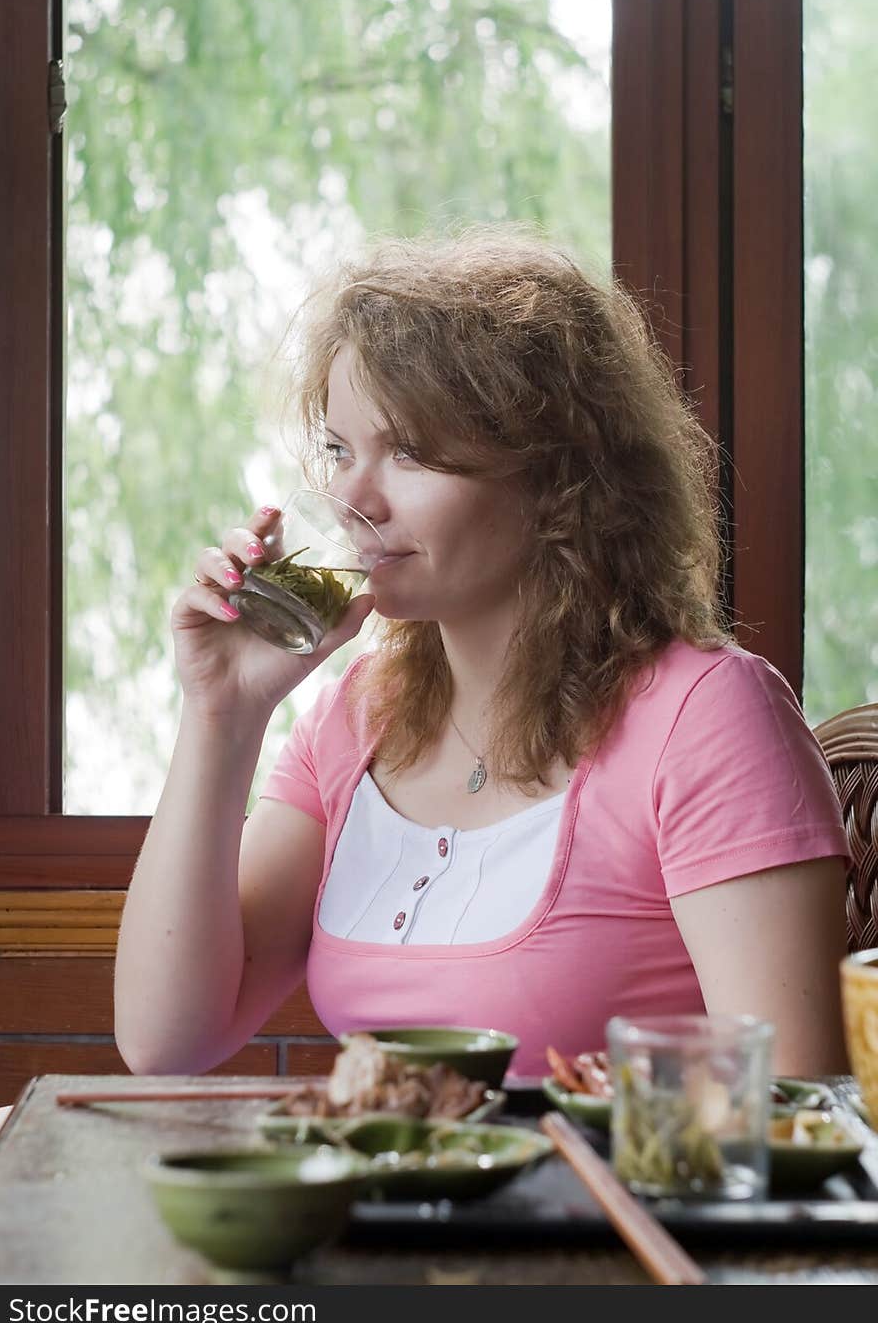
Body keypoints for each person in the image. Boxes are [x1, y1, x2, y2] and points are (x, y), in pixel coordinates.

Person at [114, 223, 852, 1081]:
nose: (351, 499)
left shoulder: (708, 716)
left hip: (614, 1216)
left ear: (558, 482)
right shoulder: (359, 715)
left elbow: (794, 1108)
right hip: (390, 1212)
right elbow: (168, 1041)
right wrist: (222, 714)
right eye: (340, 450)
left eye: (412, 453)